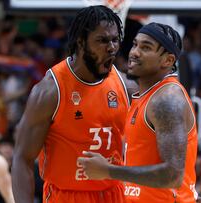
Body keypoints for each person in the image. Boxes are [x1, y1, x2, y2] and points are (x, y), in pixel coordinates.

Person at [12, 5, 138, 203]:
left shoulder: (127, 86)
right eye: (102, 40)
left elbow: (148, 150)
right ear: (81, 42)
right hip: (67, 195)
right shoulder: (50, 91)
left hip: (114, 194)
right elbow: (22, 159)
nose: (112, 47)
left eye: (115, 40)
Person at [78, 22, 201, 203]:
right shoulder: (146, 96)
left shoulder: (166, 99)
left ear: (167, 61)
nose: (134, 52)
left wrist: (107, 171)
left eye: (146, 48)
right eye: (135, 44)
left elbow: (173, 176)